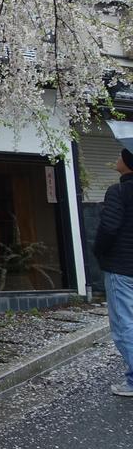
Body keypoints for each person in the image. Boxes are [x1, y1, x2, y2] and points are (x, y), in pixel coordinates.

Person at [95, 146, 133, 397]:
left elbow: (108, 229)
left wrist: (98, 251)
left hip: (122, 267)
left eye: (120, 155)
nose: (116, 159)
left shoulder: (118, 192)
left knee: (125, 325)